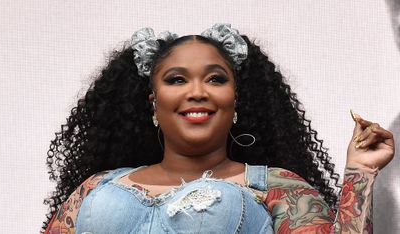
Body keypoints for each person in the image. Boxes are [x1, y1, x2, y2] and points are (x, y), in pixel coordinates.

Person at [42, 24, 395, 233]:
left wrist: (360, 172)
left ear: (235, 100)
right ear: (153, 101)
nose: (197, 92)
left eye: (215, 79)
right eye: (177, 79)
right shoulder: (97, 187)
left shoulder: (276, 188)